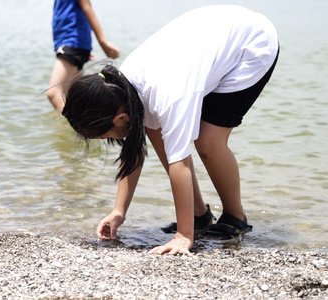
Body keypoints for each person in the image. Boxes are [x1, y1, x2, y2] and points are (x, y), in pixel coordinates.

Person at [61, 5, 279, 255]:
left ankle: (235, 216)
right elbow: (134, 148)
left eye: (109, 135)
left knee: (208, 141)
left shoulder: (168, 95)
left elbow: (180, 163)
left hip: (251, 46)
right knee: (155, 128)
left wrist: (183, 237)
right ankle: (199, 215)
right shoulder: (119, 89)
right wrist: (118, 211)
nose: (116, 139)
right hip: (212, 38)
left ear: (120, 117)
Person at [47, 0, 120, 111]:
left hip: (72, 42)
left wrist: (102, 42)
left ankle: (72, 127)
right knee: (74, 98)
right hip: (73, 43)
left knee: (54, 93)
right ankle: (85, 125)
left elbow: (87, 7)